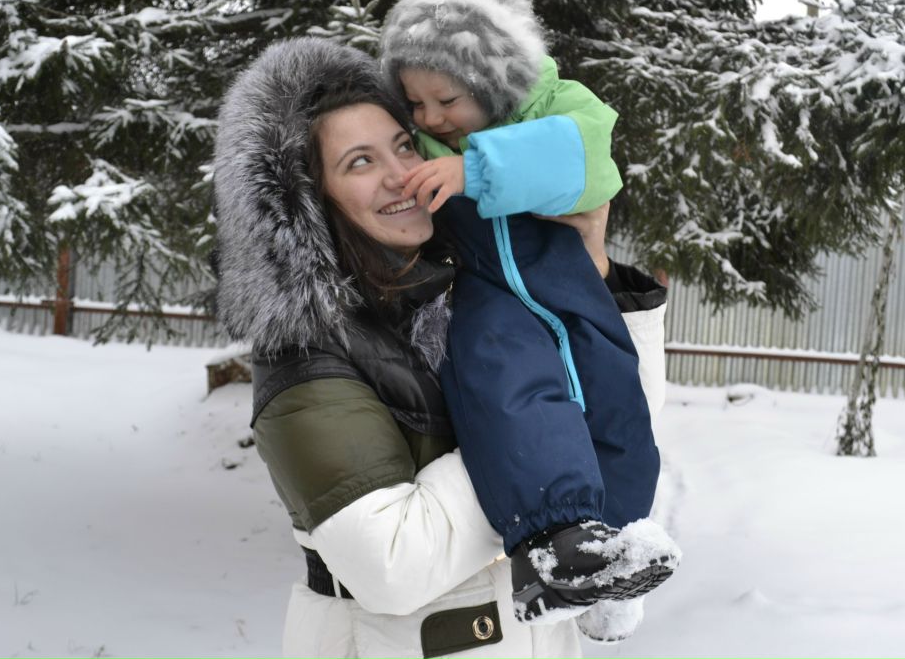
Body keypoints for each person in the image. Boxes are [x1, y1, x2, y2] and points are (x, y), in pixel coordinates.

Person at [212, 36, 672, 657]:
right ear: (307, 203)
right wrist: (537, 443)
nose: (401, 173)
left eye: (403, 145)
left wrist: (588, 268)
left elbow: (626, 419)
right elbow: (394, 564)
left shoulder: (469, 293)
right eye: (359, 162)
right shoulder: (306, 355)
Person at [378, 0, 678, 624]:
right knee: (514, 390)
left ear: (494, 78)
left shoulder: (559, 105)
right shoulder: (426, 147)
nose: (427, 119)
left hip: (571, 290)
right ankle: (555, 545)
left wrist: (474, 171)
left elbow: (589, 163)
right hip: (490, 295)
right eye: (414, 102)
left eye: (444, 99)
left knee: (619, 413)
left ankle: (612, 553)